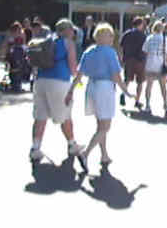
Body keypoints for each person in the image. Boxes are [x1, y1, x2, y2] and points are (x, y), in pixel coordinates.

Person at [65, 23, 132, 171]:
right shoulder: (110, 52)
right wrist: (126, 91)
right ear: (105, 37)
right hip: (104, 88)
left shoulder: (89, 51)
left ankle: (104, 155)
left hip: (92, 87)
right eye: (110, 35)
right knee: (105, 126)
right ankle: (85, 153)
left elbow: (79, 74)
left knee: (100, 125)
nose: (112, 38)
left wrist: (71, 90)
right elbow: (116, 76)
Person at [30, 18, 84, 162]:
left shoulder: (47, 41)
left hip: (40, 81)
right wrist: (77, 78)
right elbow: (73, 67)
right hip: (59, 81)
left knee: (40, 117)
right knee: (65, 116)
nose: (73, 33)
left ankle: (35, 148)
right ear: (67, 30)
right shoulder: (68, 43)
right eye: (72, 30)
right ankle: (72, 144)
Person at [142, 20, 167, 114]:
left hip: (150, 64)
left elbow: (145, 51)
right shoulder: (165, 39)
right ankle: (165, 103)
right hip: (160, 65)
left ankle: (147, 104)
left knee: (149, 86)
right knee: (163, 86)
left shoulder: (149, 38)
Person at [119, 17, 147, 109]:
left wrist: (121, 58)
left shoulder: (127, 34)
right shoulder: (143, 36)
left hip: (128, 59)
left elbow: (121, 47)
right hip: (140, 60)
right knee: (140, 82)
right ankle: (137, 101)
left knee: (127, 79)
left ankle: (123, 94)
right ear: (140, 24)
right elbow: (145, 49)